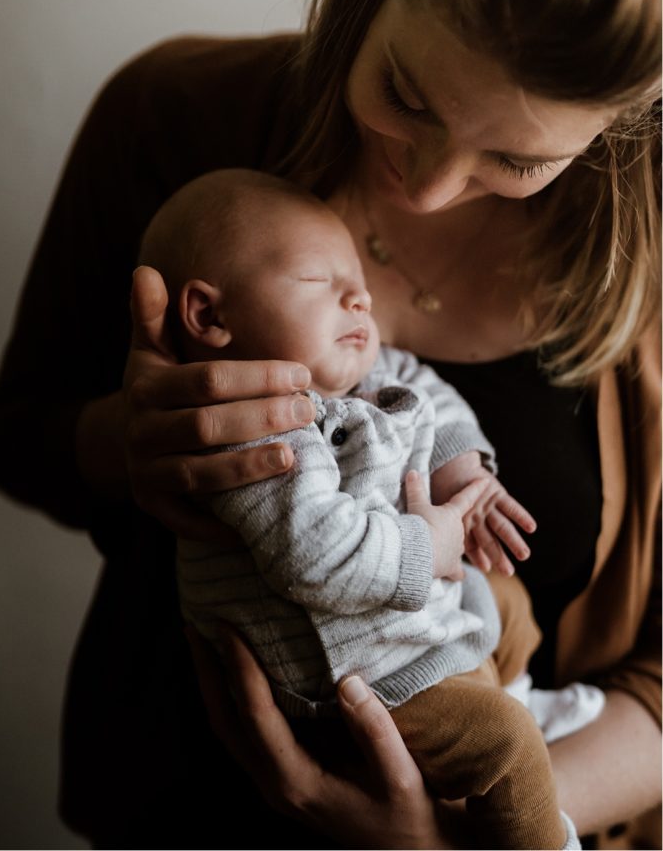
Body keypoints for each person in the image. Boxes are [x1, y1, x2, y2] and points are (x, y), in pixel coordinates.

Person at [0, 0, 660, 849]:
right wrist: (128, 443)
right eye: (407, 94)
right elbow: (19, 441)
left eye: (516, 160)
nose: (427, 184)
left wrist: (450, 832)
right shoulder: (173, 120)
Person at [149, 166, 605, 848]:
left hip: (404, 623)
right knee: (506, 749)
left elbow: (427, 391)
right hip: (358, 677)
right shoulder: (254, 438)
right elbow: (318, 558)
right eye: (320, 284)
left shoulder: (362, 376)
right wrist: (428, 541)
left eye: (355, 281)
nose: (358, 298)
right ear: (211, 316)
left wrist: (463, 476)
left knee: (508, 604)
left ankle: (511, 691)